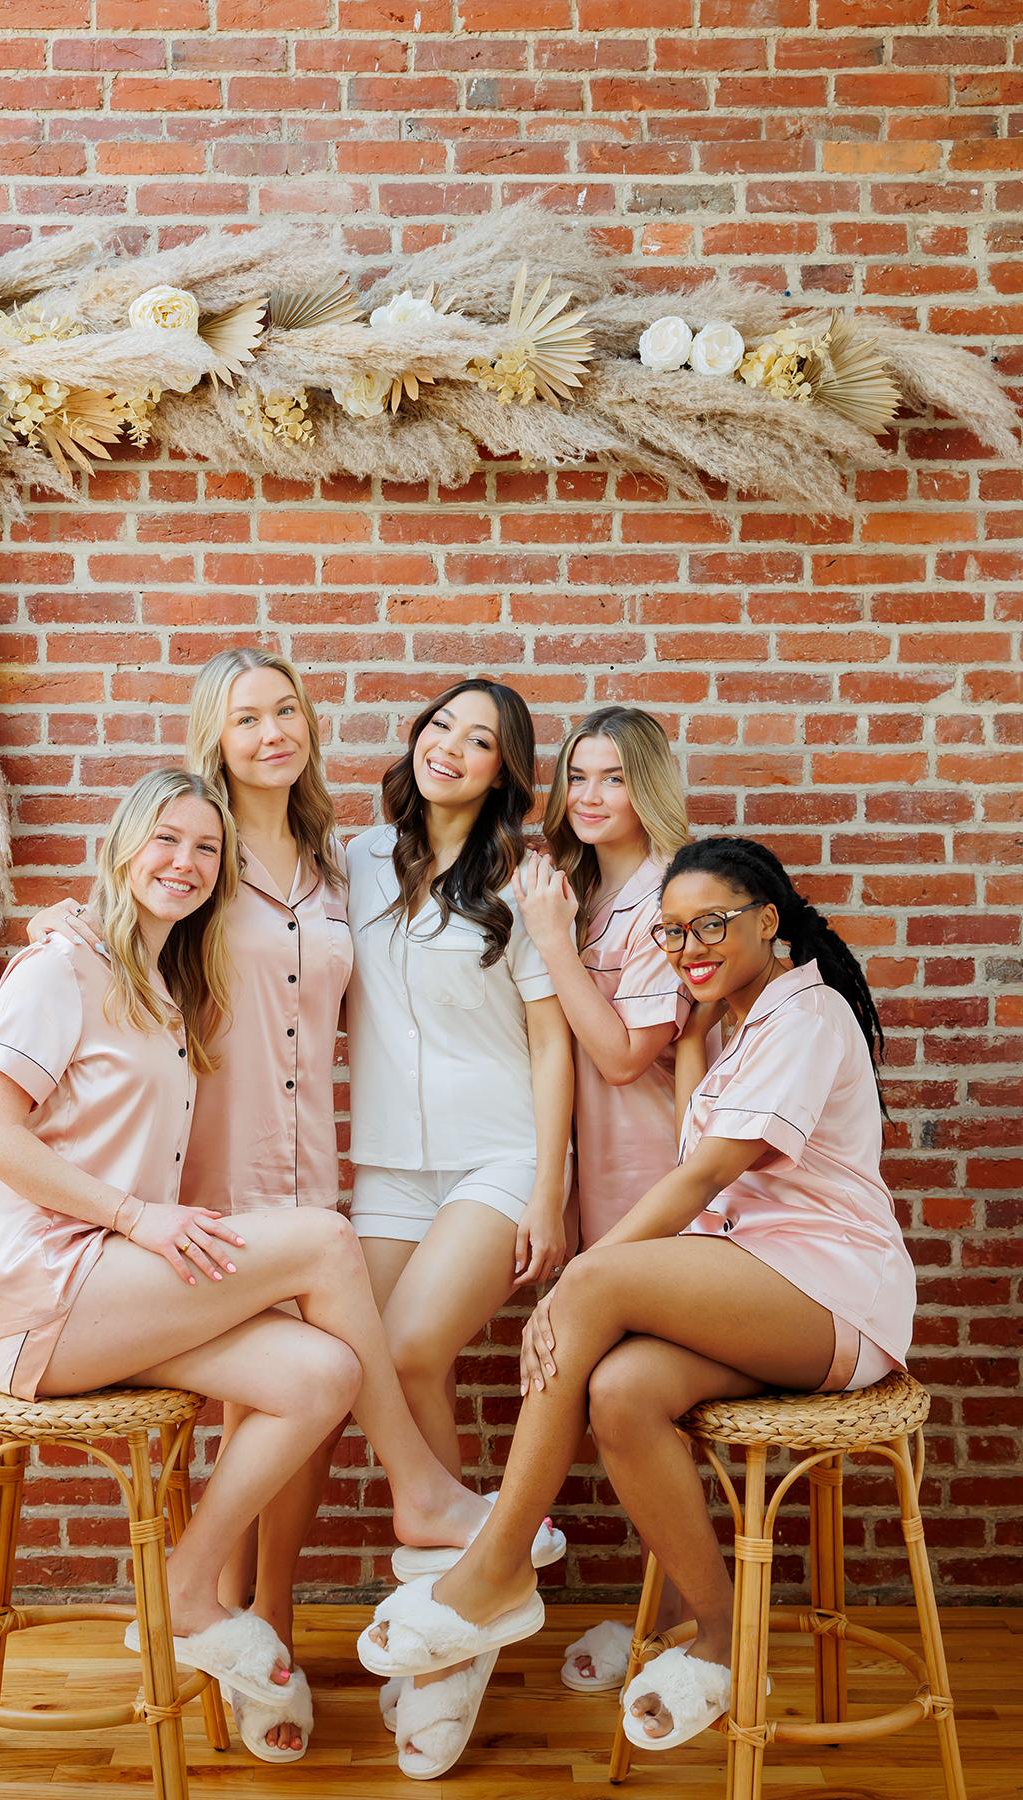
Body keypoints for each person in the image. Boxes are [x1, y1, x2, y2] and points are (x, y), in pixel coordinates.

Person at [358, 833, 916, 1760]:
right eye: (670, 933)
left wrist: (574, 1281)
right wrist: (696, 1028)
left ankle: (496, 1569)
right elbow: (700, 1139)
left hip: (833, 1291)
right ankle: (723, 1640)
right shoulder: (739, 1021)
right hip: (762, 1279)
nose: (690, 945)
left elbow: (700, 1179)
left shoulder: (806, 1016)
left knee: (601, 1280)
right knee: (620, 1393)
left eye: (712, 925)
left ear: (768, 921)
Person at [0, 768, 494, 1729]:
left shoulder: (164, 984)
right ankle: (422, 1491)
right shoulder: (59, 969)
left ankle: (188, 1585)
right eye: (165, 840)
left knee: (322, 1372)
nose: (186, 863)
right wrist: (137, 1218)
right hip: (44, 1291)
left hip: (116, 1295)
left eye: (207, 849)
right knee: (328, 1244)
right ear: (122, 845)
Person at [29, 648, 351, 1759]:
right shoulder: (191, 856)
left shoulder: (335, 860)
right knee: (244, 1403)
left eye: (285, 709)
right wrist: (70, 926)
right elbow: (118, 942)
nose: (270, 731)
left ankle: (274, 1623)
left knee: (315, 1396)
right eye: (244, 716)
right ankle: (221, 1619)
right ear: (210, 739)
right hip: (202, 1175)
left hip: (315, 1161)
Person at [344, 677, 574, 1774]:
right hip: (385, 1166)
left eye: (482, 741)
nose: (455, 748)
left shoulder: (521, 880)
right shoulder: (348, 861)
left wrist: (548, 1190)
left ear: (502, 774)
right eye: (444, 726)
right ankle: (459, 1639)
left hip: (496, 1156)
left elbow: (549, 1043)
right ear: (417, 740)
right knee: (380, 1376)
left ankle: (480, 1567)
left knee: (411, 1349)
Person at [511, 705, 694, 1694]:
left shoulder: (670, 891)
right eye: (577, 776)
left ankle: (668, 1619)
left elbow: (625, 1057)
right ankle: (661, 1615)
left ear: (649, 786)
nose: (589, 796)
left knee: (626, 1395)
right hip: (597, 1179)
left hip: (660, 1180)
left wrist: (548, 940)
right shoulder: (581, 890)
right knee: (612, 1397)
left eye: (614, 778)